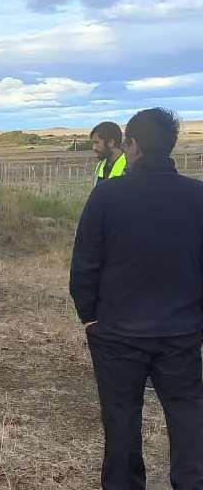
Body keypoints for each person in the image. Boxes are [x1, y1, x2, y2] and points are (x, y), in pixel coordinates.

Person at [70, 108, 203, 489]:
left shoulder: (107, 196)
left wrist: (90, 317)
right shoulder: (198, 197)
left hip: (116, 332)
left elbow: (85, 265)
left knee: (121, 420)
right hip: (181, 332)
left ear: (133, 145)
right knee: (188, 417)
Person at [91, 121, 127, 186]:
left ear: (111, 142)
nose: (94, 148)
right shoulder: (100, 165)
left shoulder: (130, 167)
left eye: (97, 143)